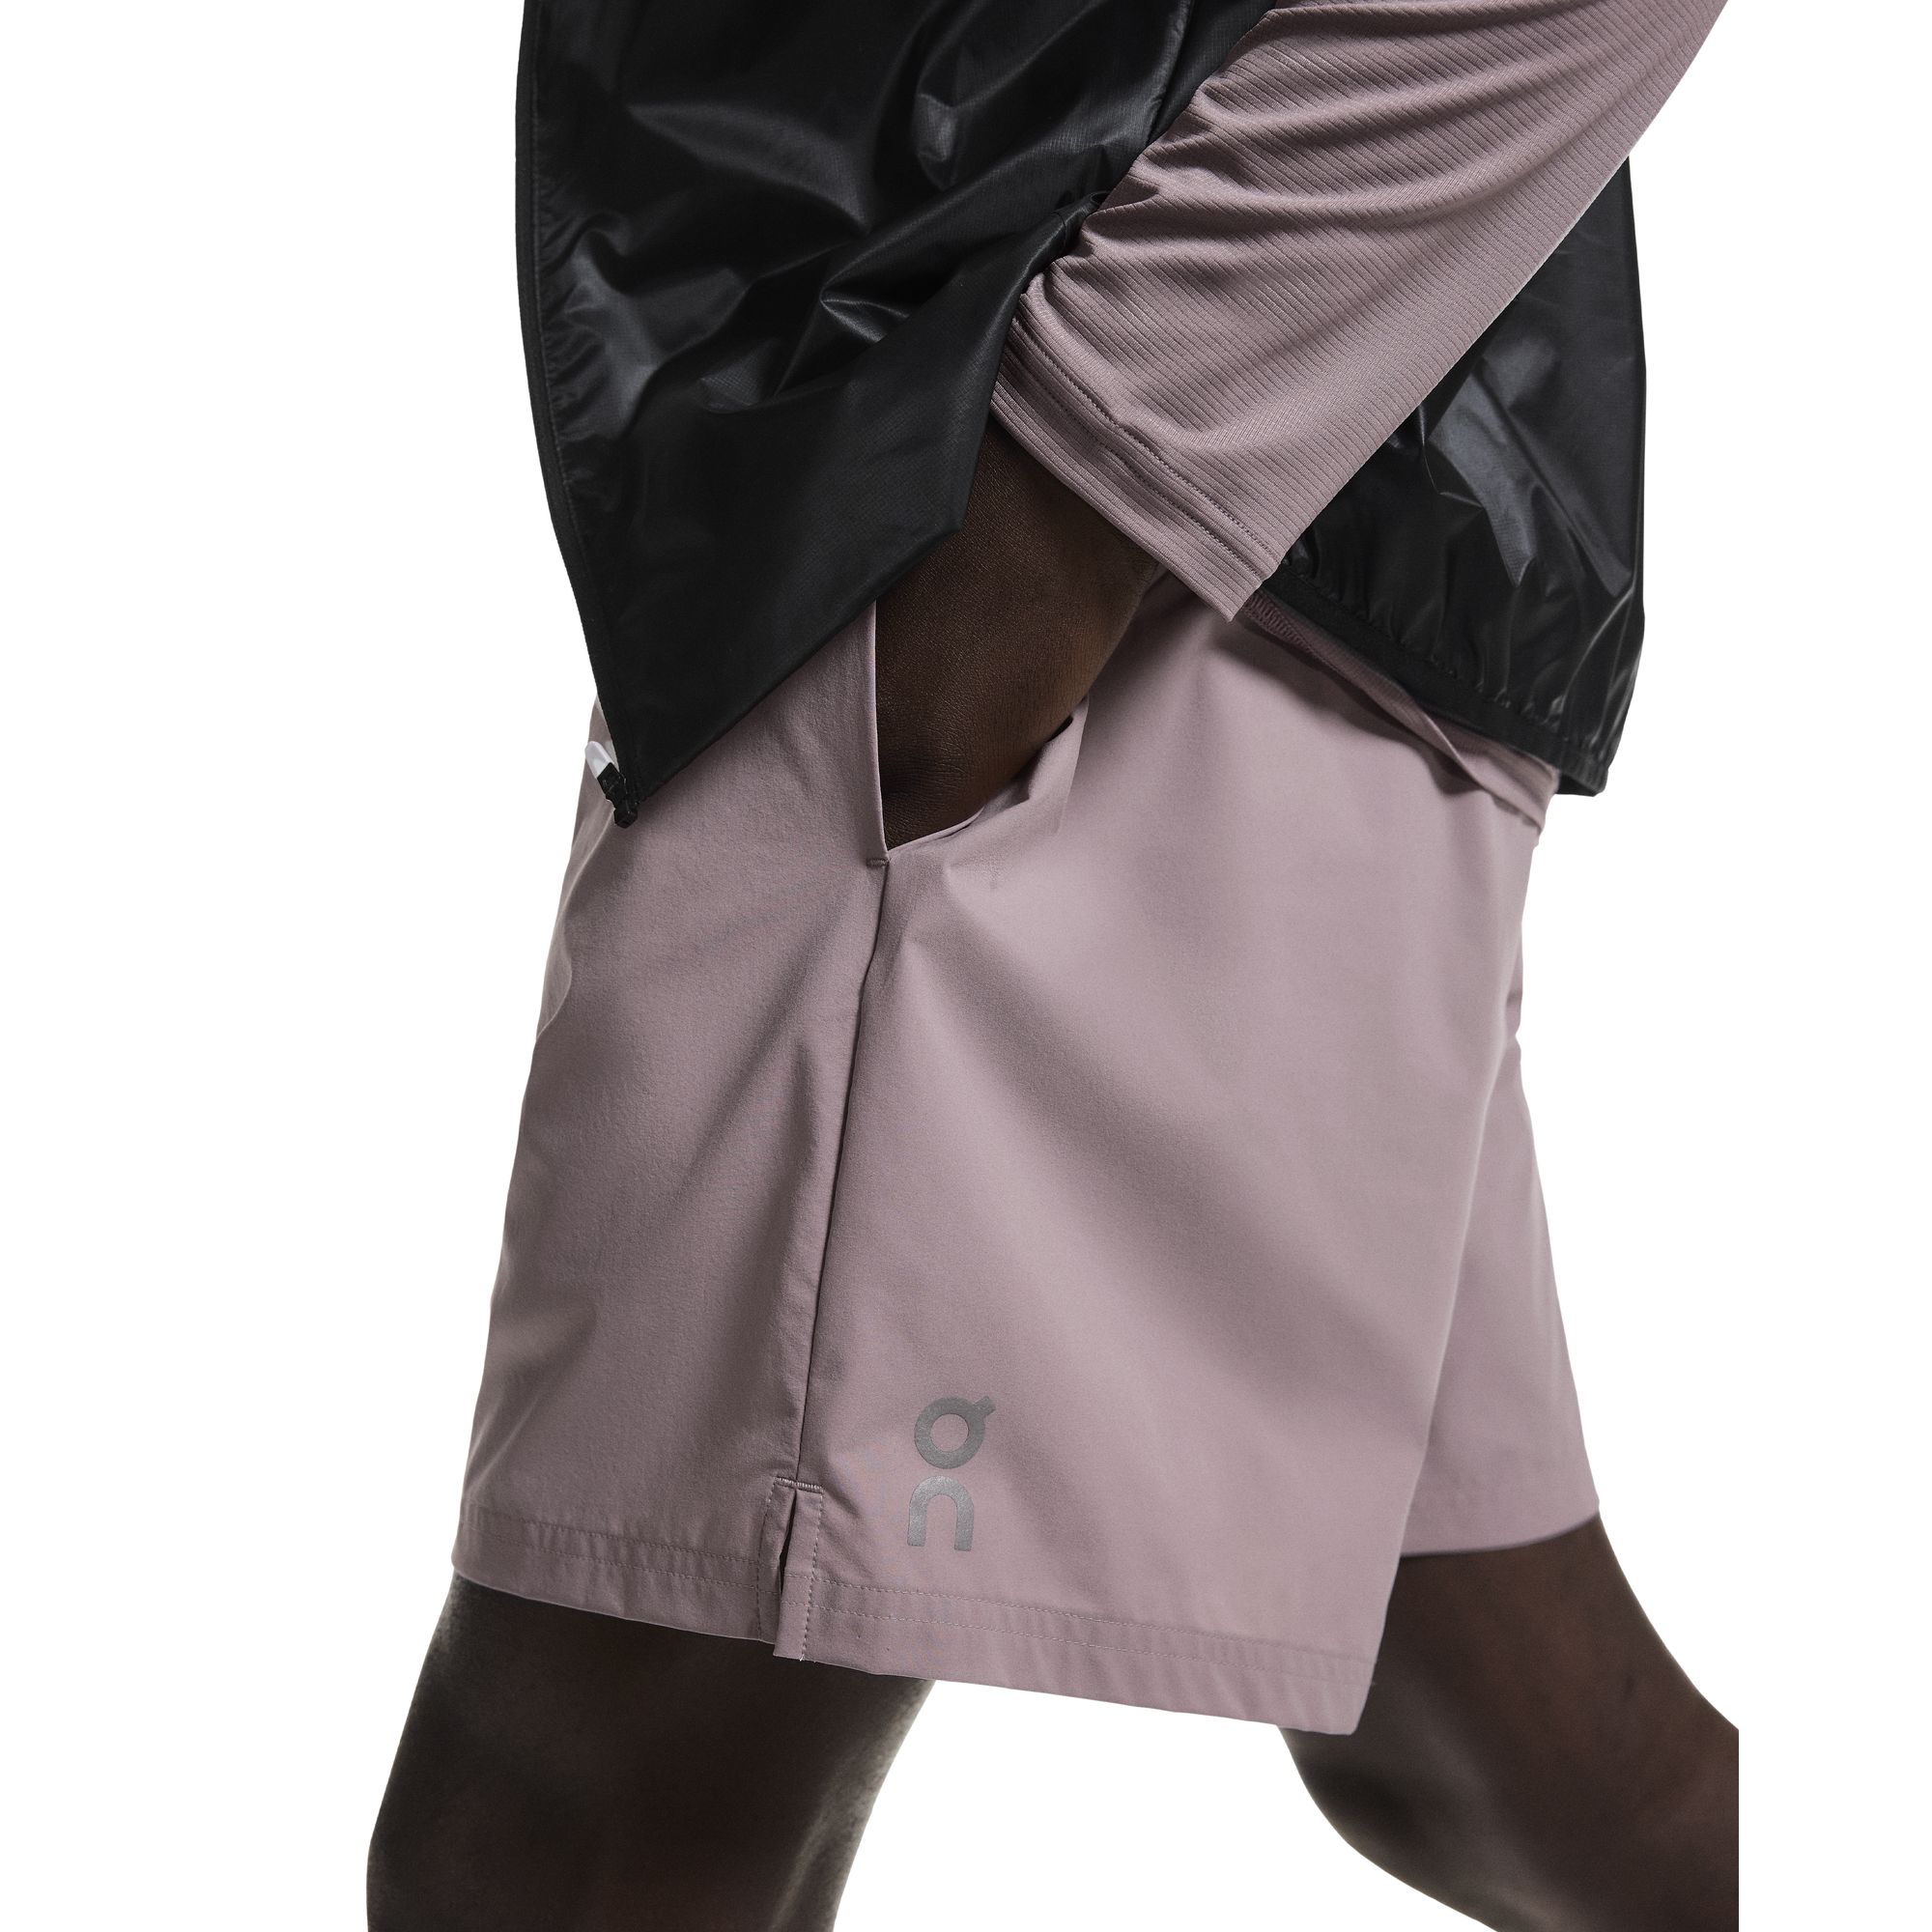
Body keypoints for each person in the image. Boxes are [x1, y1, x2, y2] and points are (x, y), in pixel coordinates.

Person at [370, 1, 1737, 1925]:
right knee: (1500, 1748)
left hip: (1061, 553)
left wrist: (1081, 481)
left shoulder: (1036, 545)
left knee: (565, 1834)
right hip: (1046, 505)